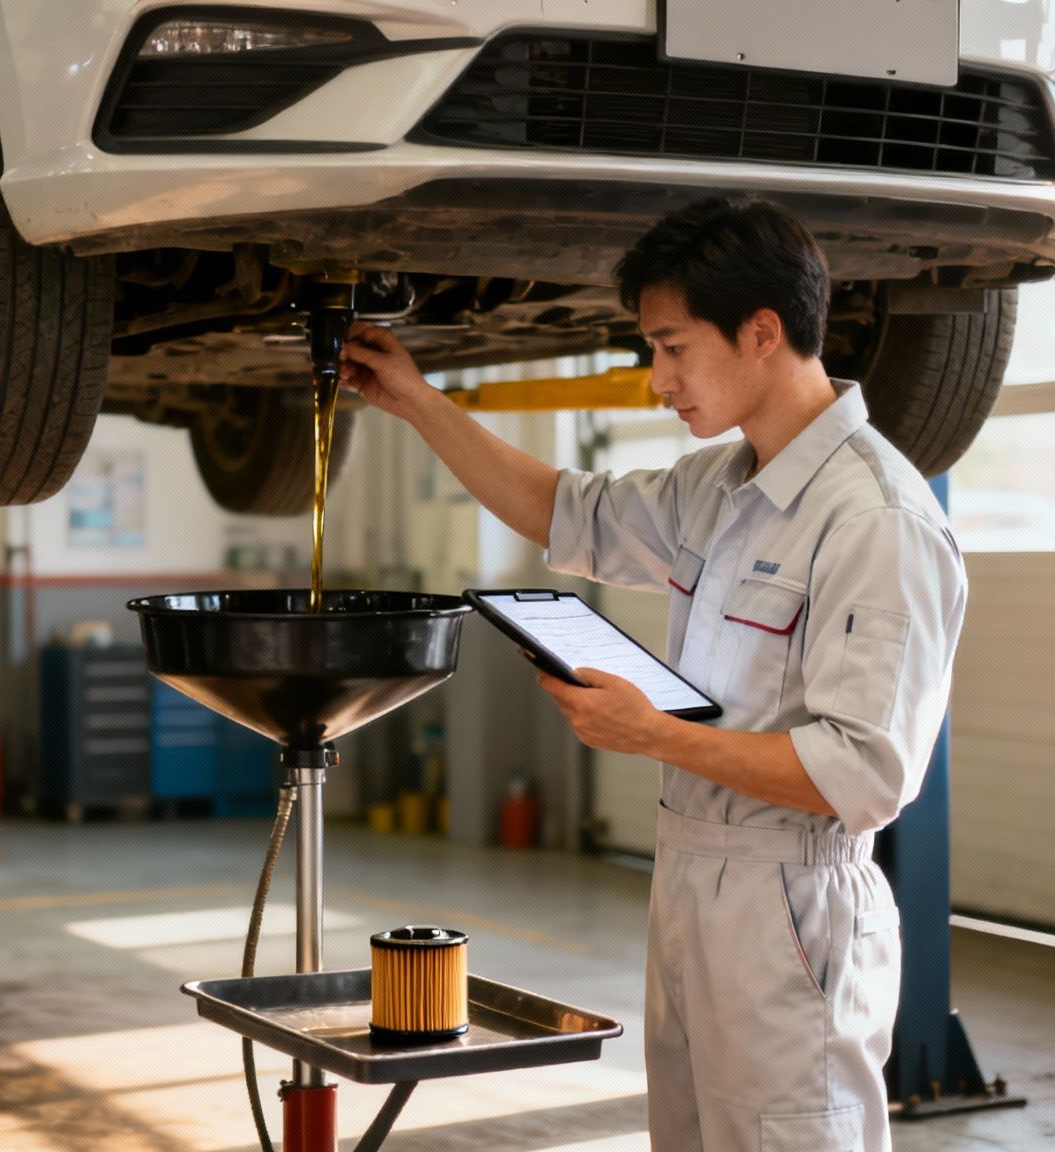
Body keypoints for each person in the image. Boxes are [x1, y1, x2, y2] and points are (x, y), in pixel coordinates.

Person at [340, 197, 966, 1151]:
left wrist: (653, 734)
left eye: (672, 348)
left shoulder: (874, 519)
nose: (656, 381)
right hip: (692, 881)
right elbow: (564, 511)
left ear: (762, 333)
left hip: (790, 906)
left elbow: (866, 775)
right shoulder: (720, 488)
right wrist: (419, 402)